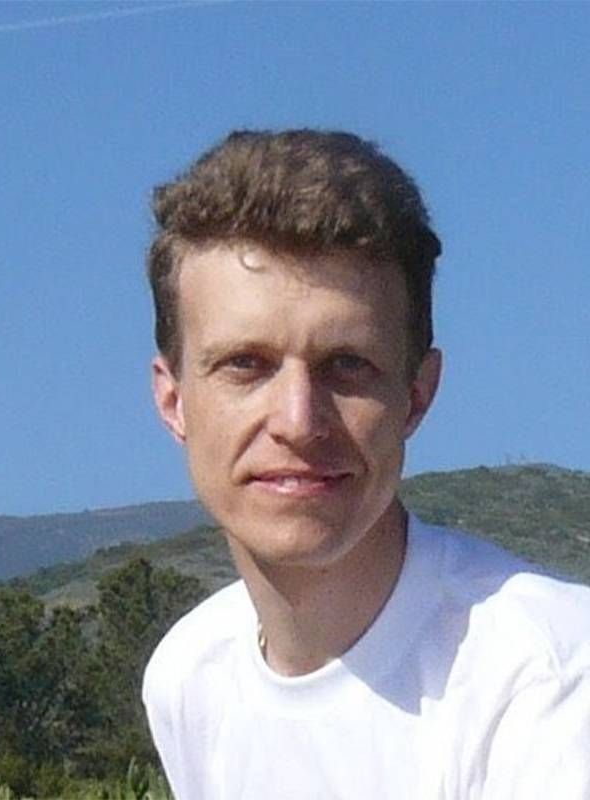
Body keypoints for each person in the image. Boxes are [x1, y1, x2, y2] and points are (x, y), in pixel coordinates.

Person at [142, 129, 590, 799]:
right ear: (174, 400)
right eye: (246, 365)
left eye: (347, 366)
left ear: (417, 394)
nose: (298, 420)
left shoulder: (550, 679)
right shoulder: (189, 679)